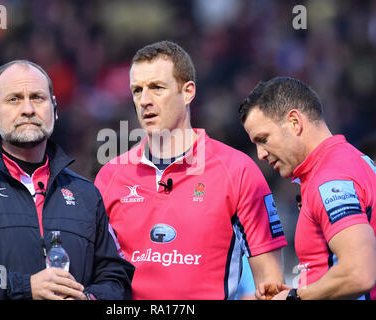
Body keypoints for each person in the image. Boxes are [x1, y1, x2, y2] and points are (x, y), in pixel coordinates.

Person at [94, 40, 287, 299]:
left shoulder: (238, 171)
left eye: (156, 88)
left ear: (188, 92)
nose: (144, 100)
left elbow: (271, 286)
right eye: (137, 90)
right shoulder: (110, 176)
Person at [0, 60, 134, 300]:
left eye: (37, 98)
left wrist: (88, 298)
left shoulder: (86, 193)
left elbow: (116, 278)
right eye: (14, 99)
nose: (28, 109)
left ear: (54, 109)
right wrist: (23, 287)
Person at [239, 76, 376, 300]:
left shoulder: (331, 178)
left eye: (263, 139)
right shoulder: (354, 161)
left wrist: (295, 297)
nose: (261, 154)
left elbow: (359, 272)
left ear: (294, 122)